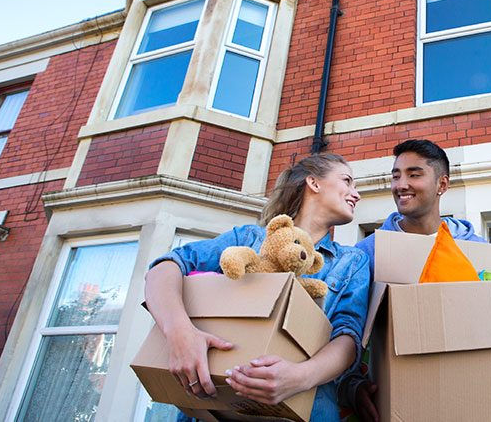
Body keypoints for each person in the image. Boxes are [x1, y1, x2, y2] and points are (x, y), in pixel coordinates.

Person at [144, 152, 370, 422]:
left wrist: (300, 377)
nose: (356, 194)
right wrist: (179, 334)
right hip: (212, 404)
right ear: (314, 183)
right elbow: (165, 268)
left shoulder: (351, 261)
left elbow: (348, 338)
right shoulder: (247, 239)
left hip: (306, 410)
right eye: (347, 181)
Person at [341, 139, 486, 421]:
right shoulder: (366, 254)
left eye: (414, 174)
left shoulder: (475, 249)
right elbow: (346, 326)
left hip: (466, 397)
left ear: (442, 184)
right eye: (396, 176)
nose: (401, 185)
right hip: (393, 402)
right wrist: (352, 387)